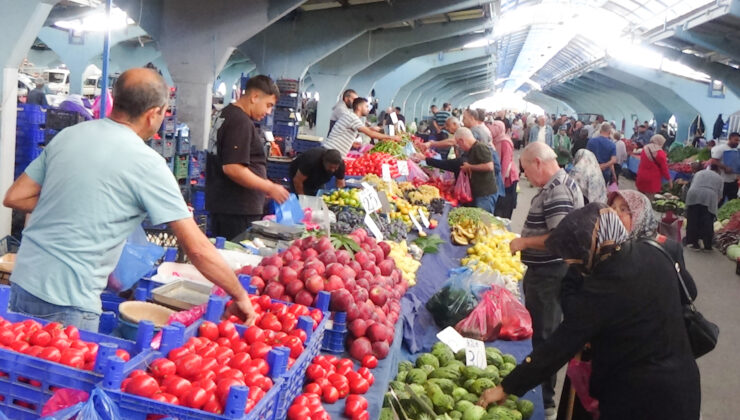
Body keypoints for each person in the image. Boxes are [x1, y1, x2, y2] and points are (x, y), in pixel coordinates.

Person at [2, 68, 257, 331]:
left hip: (23, 281)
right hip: (70, 301)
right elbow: (197, 249)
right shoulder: (148, 164)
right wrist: (239, 294)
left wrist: (72, 204)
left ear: (115, 98)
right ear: (153, 113)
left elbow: (15, 197)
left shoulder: (70, 135)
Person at [479, 203, 701, 420]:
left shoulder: (605, 287)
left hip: (641, 400)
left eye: (573, 254)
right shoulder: (653, 251)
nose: (570, 262)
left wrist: (507, 386)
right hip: (684, 384)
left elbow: (560, 347)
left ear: (589, 247)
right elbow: (688, 291)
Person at [509, 142, 584, 418]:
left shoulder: (558, 191)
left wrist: (524, 241)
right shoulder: (561, 184)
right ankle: (539, 392)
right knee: (542, 335)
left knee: (544, 338)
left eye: (526, 169)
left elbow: (560, 238)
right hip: (547, 275)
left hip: (550, 277)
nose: (526, 176)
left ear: (538, 163)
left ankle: (544, 403)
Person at [206, 75, 289, 240]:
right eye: (268, 105)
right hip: (236, 211)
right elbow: (233, 168)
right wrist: (269, 187)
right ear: (255, 97)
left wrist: (258, 185)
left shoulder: (225, 114)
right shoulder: (240, 121)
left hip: (225, 206)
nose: (268, 112)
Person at [324, 97, 400, 157]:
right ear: (359, 107)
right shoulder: (353, 118)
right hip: (331, 152)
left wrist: (371, 128)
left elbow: (359, 129)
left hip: (333, 151)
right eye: (366, 106)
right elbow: (371, 134)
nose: (368, 109)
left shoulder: (351, 116)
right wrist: (392, 137)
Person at [453, 128, 497, 213]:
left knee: (483, 219)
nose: (460, 146)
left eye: (459, 144)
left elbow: (489, 166)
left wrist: (470, 167)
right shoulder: (472, 149)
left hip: (485, 194)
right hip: (479, 192)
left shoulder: (480, 147)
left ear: (462, 141)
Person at [685, 163, 723, 251]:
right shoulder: (720, 178)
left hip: (693, 194)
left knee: (693, 219)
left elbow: (692, 185)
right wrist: (713, 208)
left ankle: (693, 243)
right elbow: (720, 197)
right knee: (707, 221)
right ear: (718, 170)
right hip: (709, 198)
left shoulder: (699, 173)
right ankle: (707, 245)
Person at [488, 120, 519, 219]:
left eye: (495, 128)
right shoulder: (495, 141)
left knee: (504, 206)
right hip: (500, 177)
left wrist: (499, 181)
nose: (492, 130)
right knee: (499, 205)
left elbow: (505, 163)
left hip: (508, 178)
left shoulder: (505, 142)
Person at [709, 132, 740, 204]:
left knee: (732, 202)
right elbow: (713, 161)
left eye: (738, 141)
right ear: (729, 139)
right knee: (719, 202)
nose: (737, 142)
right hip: (723, 181)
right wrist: (725, 167)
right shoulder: (721, 149)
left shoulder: (737, 150)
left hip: (733, 181)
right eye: (735, 140)